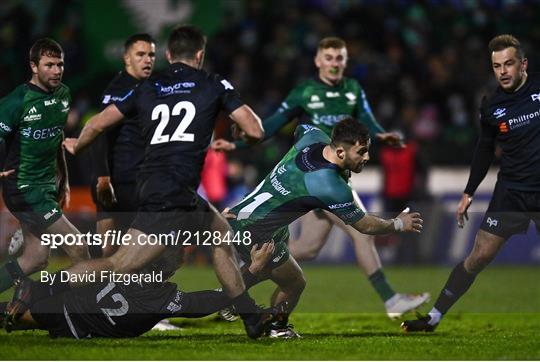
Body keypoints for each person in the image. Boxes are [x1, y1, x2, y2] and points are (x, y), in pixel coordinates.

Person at [61, 25, 268, 339]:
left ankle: (250, 316)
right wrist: (241, 133)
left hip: (159, 186)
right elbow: (255, 131)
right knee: (118, 265)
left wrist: (79, 145)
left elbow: (98, 122)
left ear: (169, 55)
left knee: (220, 234)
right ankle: (41, 291)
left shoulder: (147, 86)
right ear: (200, 54)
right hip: (170, 193)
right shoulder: (212, 83)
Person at [213, 36, 429, 319]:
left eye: (340, 58)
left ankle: (235, 286)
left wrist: (380, 134)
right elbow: (273, 124)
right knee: (361, 234)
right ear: (318, 61)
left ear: (345, 62)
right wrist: (241, 142)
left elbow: (364, 120)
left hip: (316, 171)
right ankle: (390, 300)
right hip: (322, 179)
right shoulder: (304, 92)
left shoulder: (352, 90)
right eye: (329, 57)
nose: (334, 63)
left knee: (309, 248)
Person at [224, 118, 423, 338]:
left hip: (243, 215)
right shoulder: (330, 186)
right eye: (362, 151)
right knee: (294, 283)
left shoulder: (313, 136)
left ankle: (234, 297)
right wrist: (397, 223)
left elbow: (301, 128)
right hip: (256, 232)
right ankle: (269, 324)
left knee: (302, 254)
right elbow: (364, 225)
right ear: (339, 152)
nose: (367, 157)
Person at [402, 34, 540, 332]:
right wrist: (468, 192)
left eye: (509, 64)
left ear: (523, 64)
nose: (503, 71)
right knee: (478, 256)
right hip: (511, 192)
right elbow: (485, 149)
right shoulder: (492, 104)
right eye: (497, 66)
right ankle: (435, 316)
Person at [2, 242, 281, 338]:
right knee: (13, 318)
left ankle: (26, 297)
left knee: (13, 314)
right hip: (77, 321)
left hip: (71, 304)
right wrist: (252, 273)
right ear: (171, 271)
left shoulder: (126, 266)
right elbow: (213, 300)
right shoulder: (163, 297)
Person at [0, 38, 89, 294]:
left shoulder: (63, 94)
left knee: (35, 259)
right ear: (34, 66)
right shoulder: (16, 102)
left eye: (60, 64)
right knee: (79, 247)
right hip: (24, 188)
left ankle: (34, 301)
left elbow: (56, 138)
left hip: (46, 185)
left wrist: (65, 179)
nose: (57, 70)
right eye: (49, 65)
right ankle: (83, 314)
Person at [90, 33, 156, 257]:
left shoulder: (147, 89)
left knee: (111, 252)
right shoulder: (118, 89)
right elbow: (99, 131)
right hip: (119, 182)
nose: (147, 59)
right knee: (123, 252)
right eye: (140, 54)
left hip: (133, 179)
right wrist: (103, 177)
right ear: (127, 58)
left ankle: (95, 291)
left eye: (151, 55)